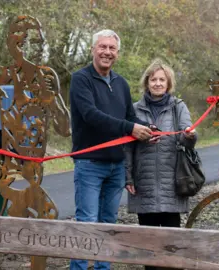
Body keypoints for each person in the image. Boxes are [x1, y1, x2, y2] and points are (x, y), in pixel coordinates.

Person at [69, 29, 153, 270]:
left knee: (109, 223)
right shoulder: (80, 79)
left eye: (112, 48)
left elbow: (129, 117)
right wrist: (131, 127)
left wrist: (149, 130)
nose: (107, 52)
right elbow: (92, 116)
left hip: (116, 165)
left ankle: (103, 268)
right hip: (89, 164)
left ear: (117, 53)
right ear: (94, 49)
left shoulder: (121, 83)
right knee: (87, 223)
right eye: (102, 47)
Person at [124, 59, 197, 270]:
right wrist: (128, 176)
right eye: (153, 79)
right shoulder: (134, 109)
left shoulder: (179, 107)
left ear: (168, 83)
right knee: (148, 244)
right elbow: (127, 147)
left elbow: (187, 137)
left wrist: (190, 135)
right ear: (147, 83)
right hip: (143, 183)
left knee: (171, 243)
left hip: (171, 183)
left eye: (161, 79)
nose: (157, 83)